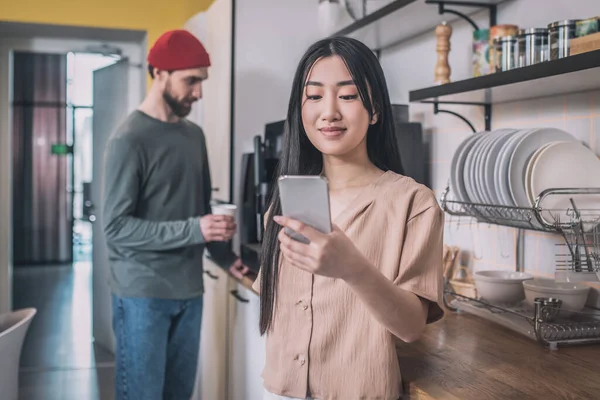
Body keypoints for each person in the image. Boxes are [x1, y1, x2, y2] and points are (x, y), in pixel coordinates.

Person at [252, 36, 445, 400]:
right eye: (314, 96)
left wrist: (353, 268)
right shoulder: (284, 205)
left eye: (348, 95)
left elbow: (411, 326)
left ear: (374, 110)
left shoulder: (414, 204)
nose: (329, 112)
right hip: (282, 392)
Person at [101, 29, 248, 400]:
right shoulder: (128, 139)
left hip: (189, 290)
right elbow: (116, 228)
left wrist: (226, 255)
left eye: (202, 81)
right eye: (191, 80)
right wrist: (196, 228)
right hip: (142, 293)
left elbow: (199, 210)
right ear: (159, 73)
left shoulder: (193, 136)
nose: (198, 92)